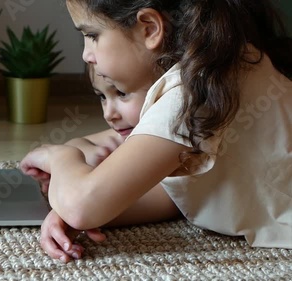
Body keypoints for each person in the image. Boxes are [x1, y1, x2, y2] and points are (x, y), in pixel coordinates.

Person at [20, 0, 292, 263]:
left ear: (149, 28)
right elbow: (160, 190)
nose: (85, 54)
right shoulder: (217, 64)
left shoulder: (192, 93)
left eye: (92, 35)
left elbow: (82, 206)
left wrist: (59, 157)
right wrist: (67, 207)